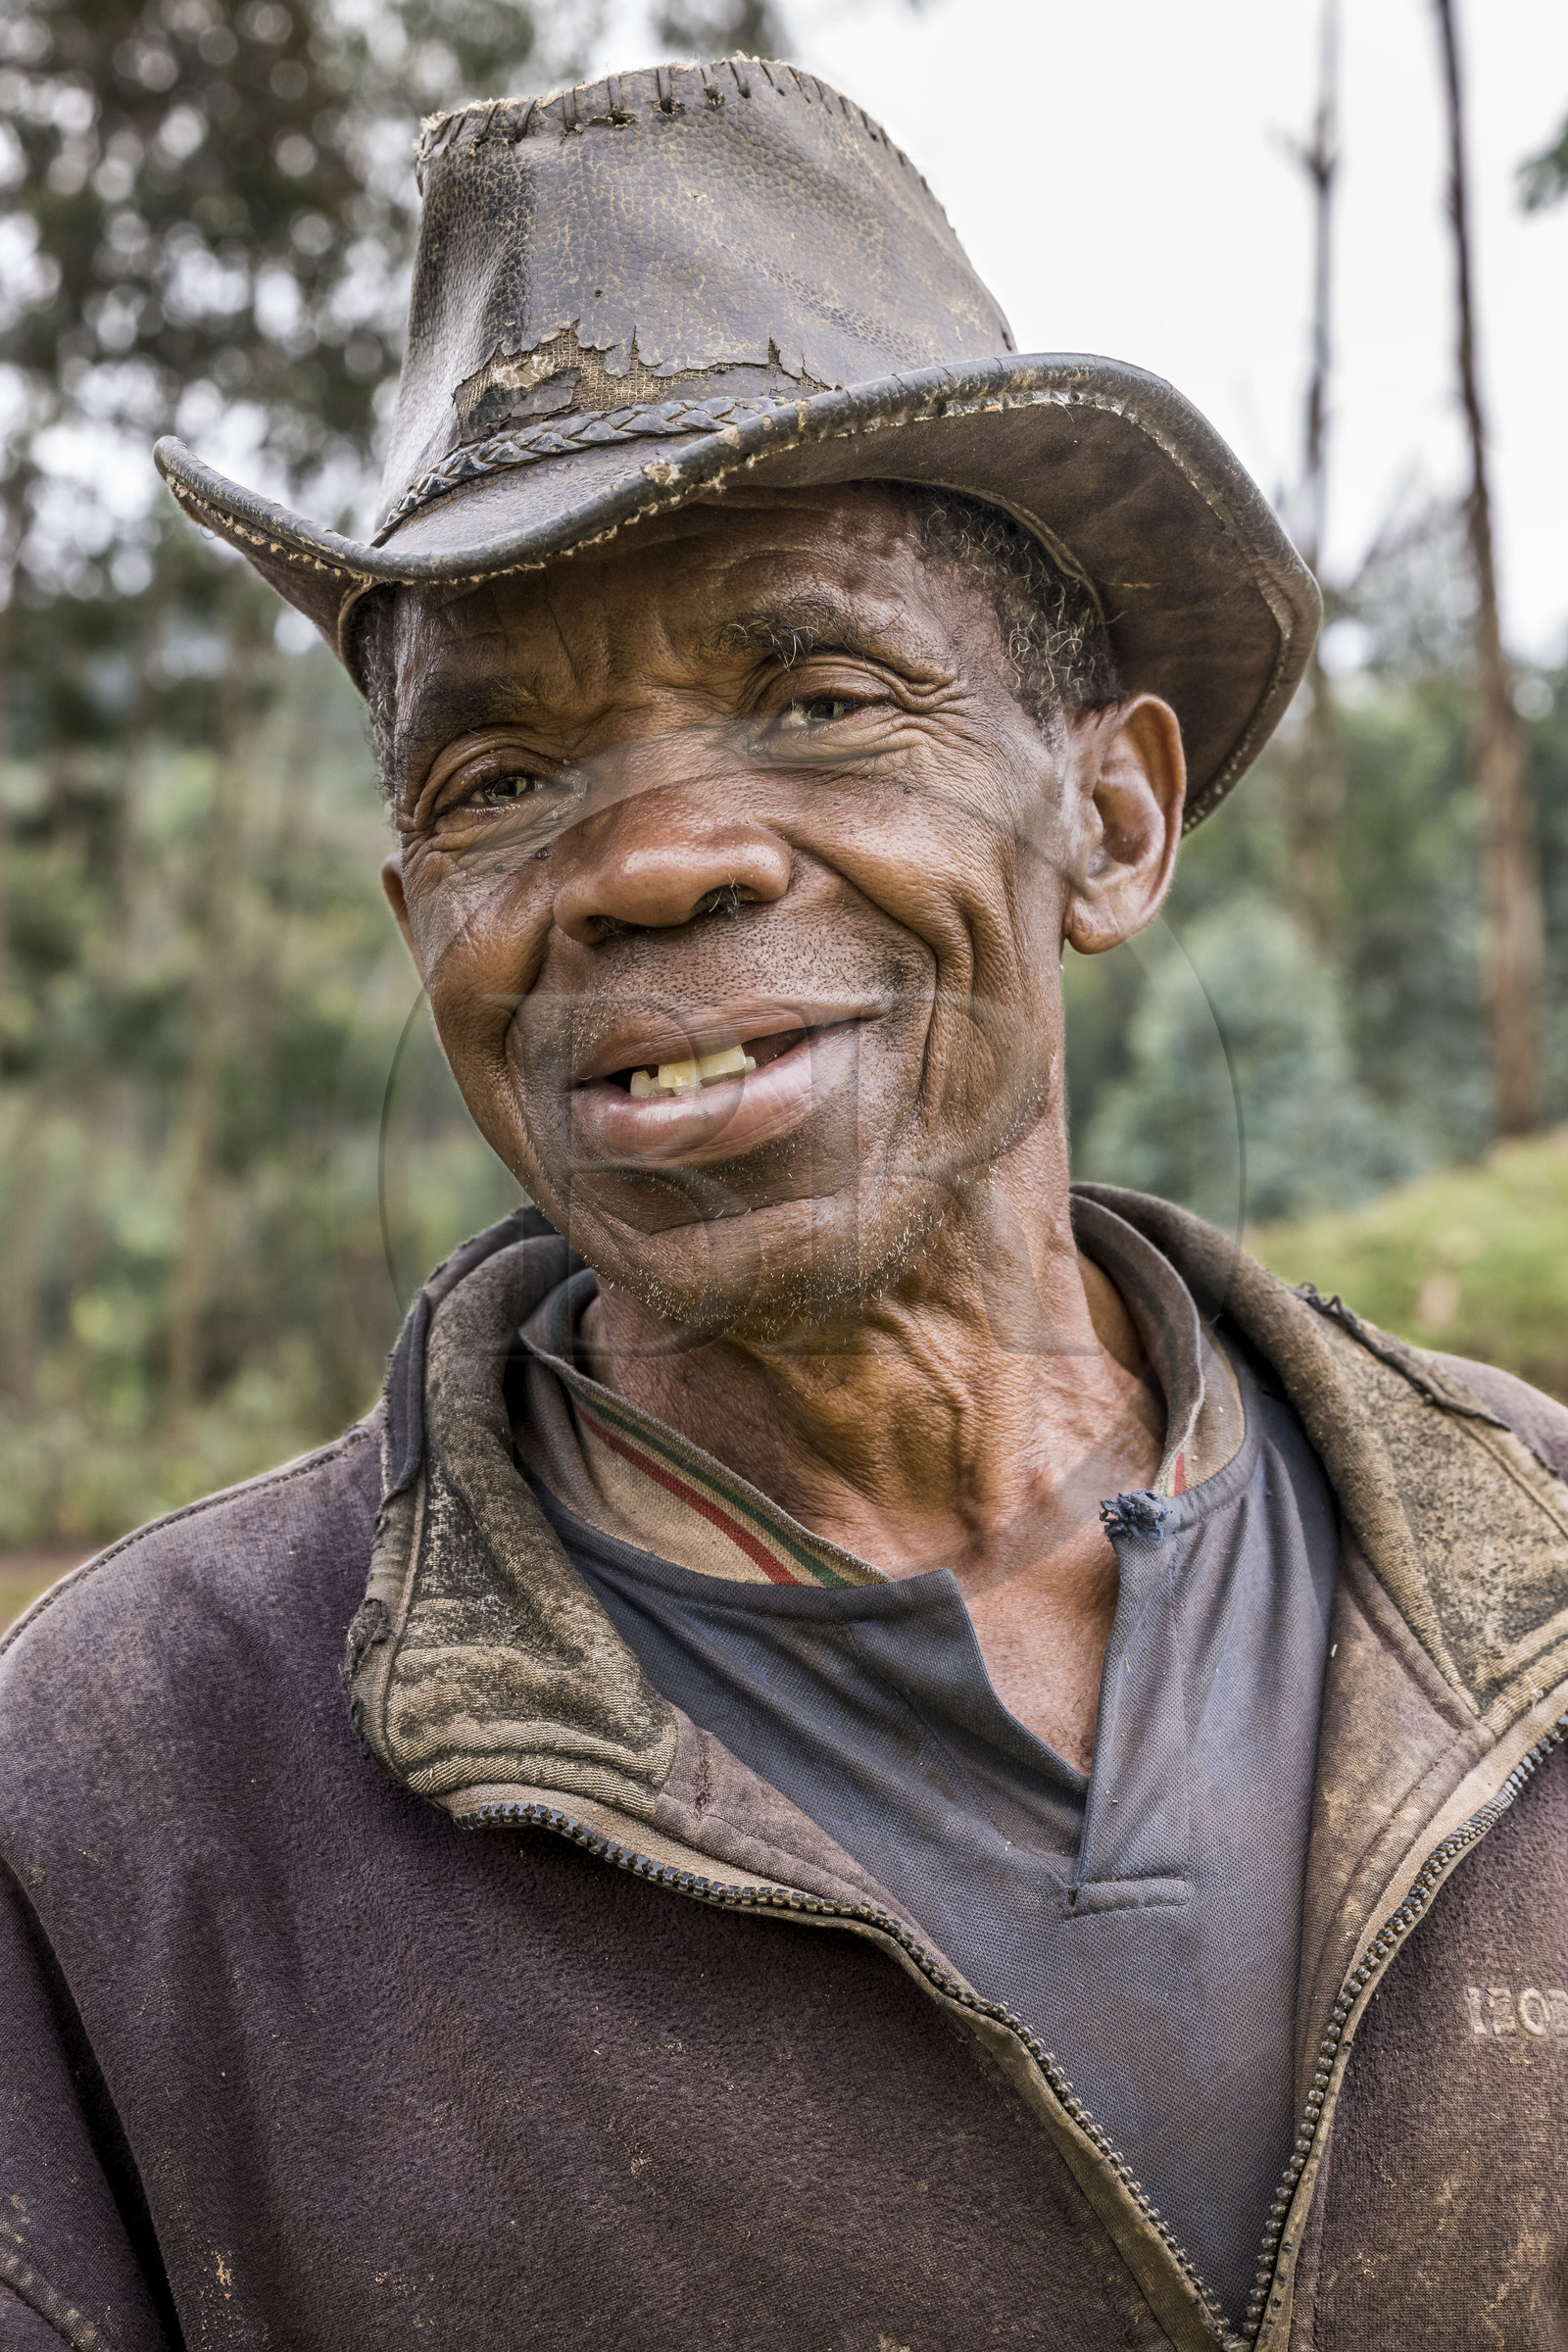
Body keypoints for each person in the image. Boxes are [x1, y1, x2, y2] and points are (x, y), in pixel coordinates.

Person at [4, 57, 1566, 2352]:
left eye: (824, 697)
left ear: (1109, 824)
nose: (644, 866)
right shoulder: (123, 1799)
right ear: (419, 910)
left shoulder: (1532, 1571)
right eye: (501, 778)